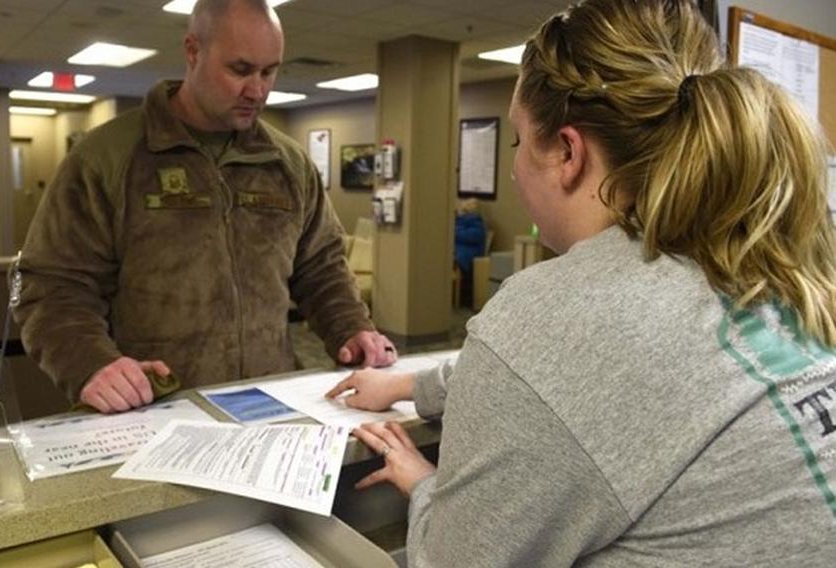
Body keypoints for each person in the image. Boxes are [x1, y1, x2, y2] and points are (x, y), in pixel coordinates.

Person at [326, 0, 836, 564]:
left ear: (568, 153)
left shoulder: (550, 312)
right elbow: (567, 370)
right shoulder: (762, 266)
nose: (516, 167)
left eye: (518, 142)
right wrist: (402, 386)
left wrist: (424, 483)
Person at [14, 0, 397, 415]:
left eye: (269, 71)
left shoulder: (287, 163)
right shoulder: (107, 158)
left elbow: (320, 266)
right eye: (240, 70)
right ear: (193, 51)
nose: (258, 90)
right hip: (154, 408)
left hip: (269, 402)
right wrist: (89, 363)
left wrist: (351, 327)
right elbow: (50, 287)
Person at [453, 198, 486, 306]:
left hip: (471, 253)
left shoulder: (477, 224)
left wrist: (456, 232)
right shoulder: (458, 223)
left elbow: (471, 237)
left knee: (459, 257)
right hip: (460, 249)